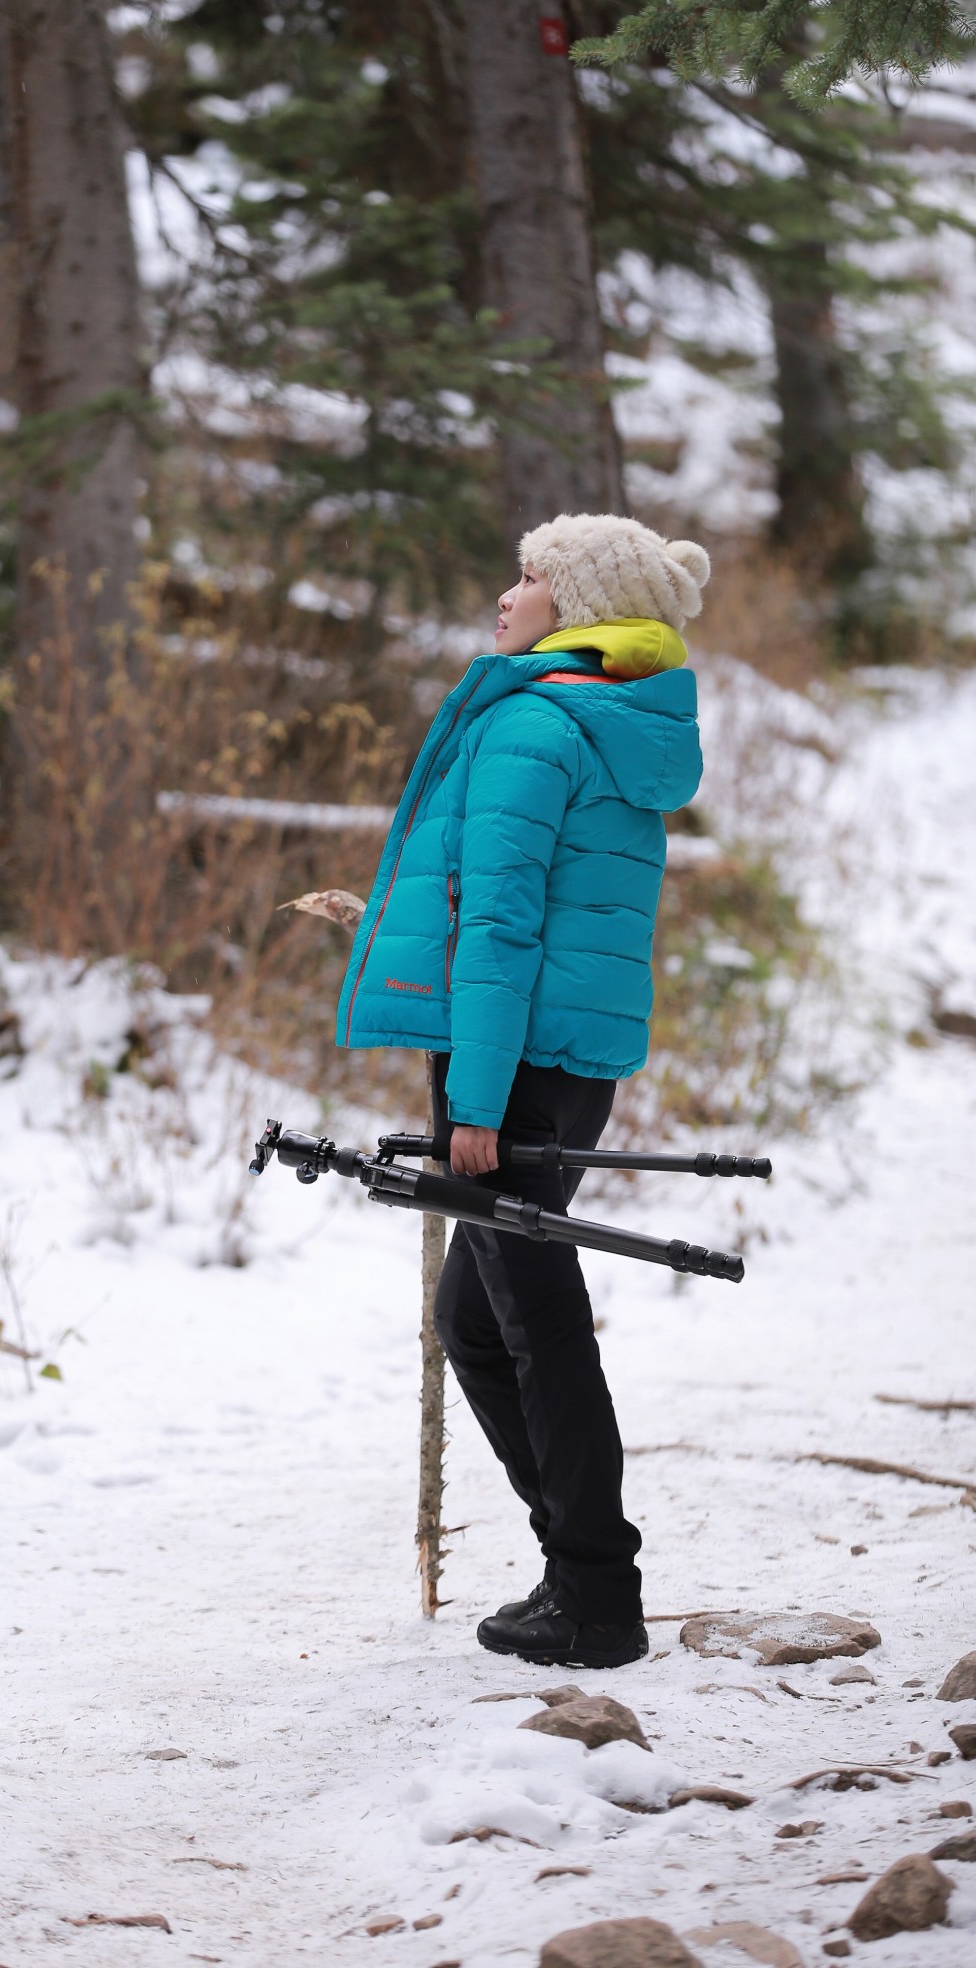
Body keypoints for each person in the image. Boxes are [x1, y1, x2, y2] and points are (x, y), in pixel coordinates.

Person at [336, 513, 708, 1668]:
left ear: (582, 605)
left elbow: (498, 927)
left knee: (531, 1322)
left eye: (534, 577)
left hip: (509, 1062)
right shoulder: (614, 721)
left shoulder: (535, 725)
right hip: (567, 1060)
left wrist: (478, 1104)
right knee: (482, 1317)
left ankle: (595, 1592)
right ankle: (579, 1566)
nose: (507, 594)